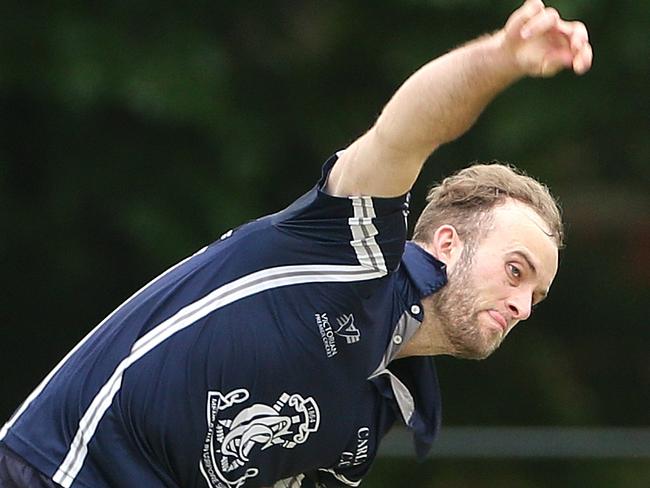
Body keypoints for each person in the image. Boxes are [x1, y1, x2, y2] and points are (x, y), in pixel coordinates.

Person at [0, 1, 592, 487]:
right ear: (446, 243)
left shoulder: (381, 409)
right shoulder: (351, 249)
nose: (522, 306)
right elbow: (406, 130)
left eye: (536, 296)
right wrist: (500, 60)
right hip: (56, 469)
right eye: (516, 271)